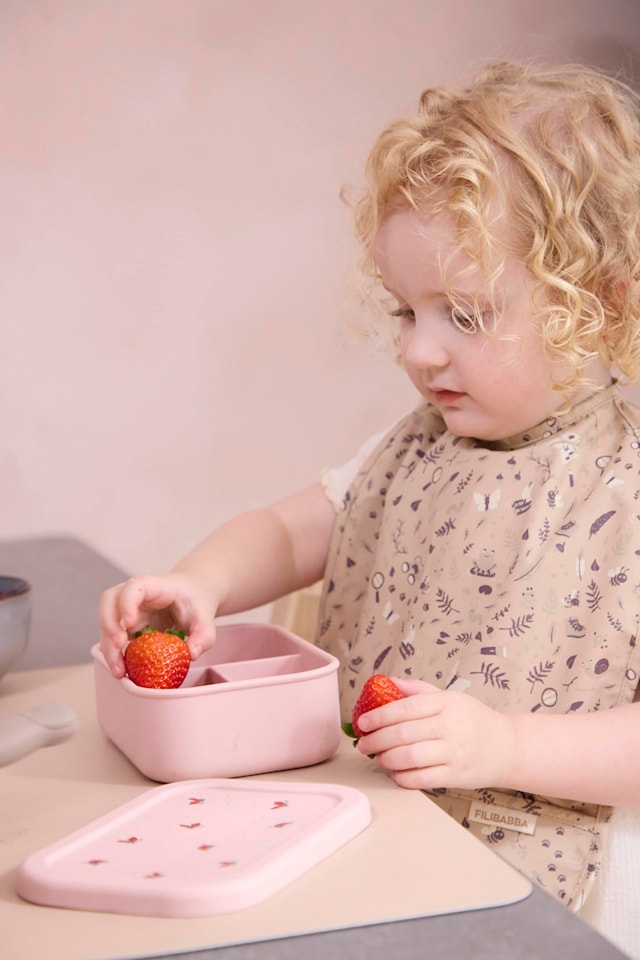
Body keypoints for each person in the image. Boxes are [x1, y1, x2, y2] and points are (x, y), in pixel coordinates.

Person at [99, 60, 640, 914]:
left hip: (549, 886)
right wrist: (201, 579)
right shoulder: (413, 448)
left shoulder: (628, 492)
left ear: (599, 307)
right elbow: (285, 535)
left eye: (463, 314)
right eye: (405, 310)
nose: (419, 352)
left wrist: (505, 746)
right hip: (371, 838)